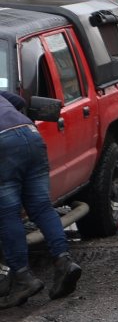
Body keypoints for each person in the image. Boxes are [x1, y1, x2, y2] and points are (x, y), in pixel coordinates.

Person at [0, 91, 82, 308]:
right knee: (42, 207)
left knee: (7, 214)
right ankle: (63, 261)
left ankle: (23, 278)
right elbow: (19, 101)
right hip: (30, 134)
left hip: (3, 145)